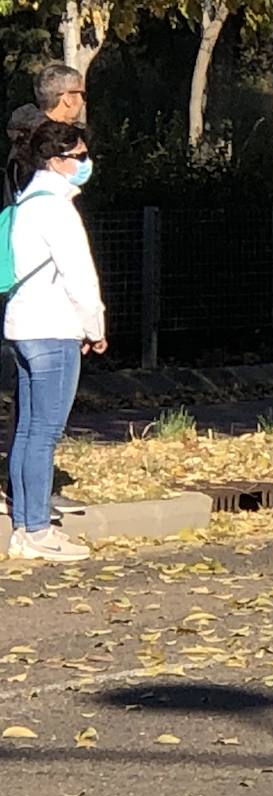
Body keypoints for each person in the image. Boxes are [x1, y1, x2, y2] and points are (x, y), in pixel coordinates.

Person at [4, 119, 106, 562]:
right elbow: (79, 276)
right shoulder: (59, 209)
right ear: (57, 160)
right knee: (45, 433)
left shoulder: (26, 202)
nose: (86, 164)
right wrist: (94, 327)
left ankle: (25, 527)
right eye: (79, 157)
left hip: (22, 327)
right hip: (55, 328)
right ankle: (38, 531)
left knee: (26, 430)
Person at [4, 63, 90, 520]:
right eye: (80, 92)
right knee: (40, 425)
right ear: (66, 96)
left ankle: (29, 504)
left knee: (29, 422)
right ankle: (33, 515)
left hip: (22, 303)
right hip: (46, 310)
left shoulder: (29, 146)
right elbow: (76, 267)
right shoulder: (42, 150)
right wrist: (92, 321)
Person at [4, 64, 86, 207]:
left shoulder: (26, 133)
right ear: (68, 98)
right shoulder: (46, 143)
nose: (83, 101)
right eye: (82, 94)